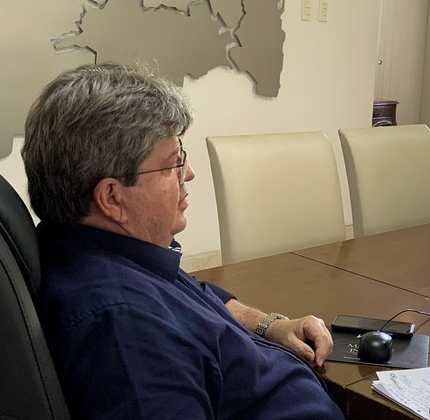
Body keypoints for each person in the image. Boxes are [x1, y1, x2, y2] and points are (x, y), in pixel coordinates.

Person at [21, 63, 345, 420]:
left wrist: (273, 326)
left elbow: (196, 298)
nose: (188, 173)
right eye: (173, 163)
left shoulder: (102, 248)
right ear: (111, 198)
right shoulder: (127, 331)